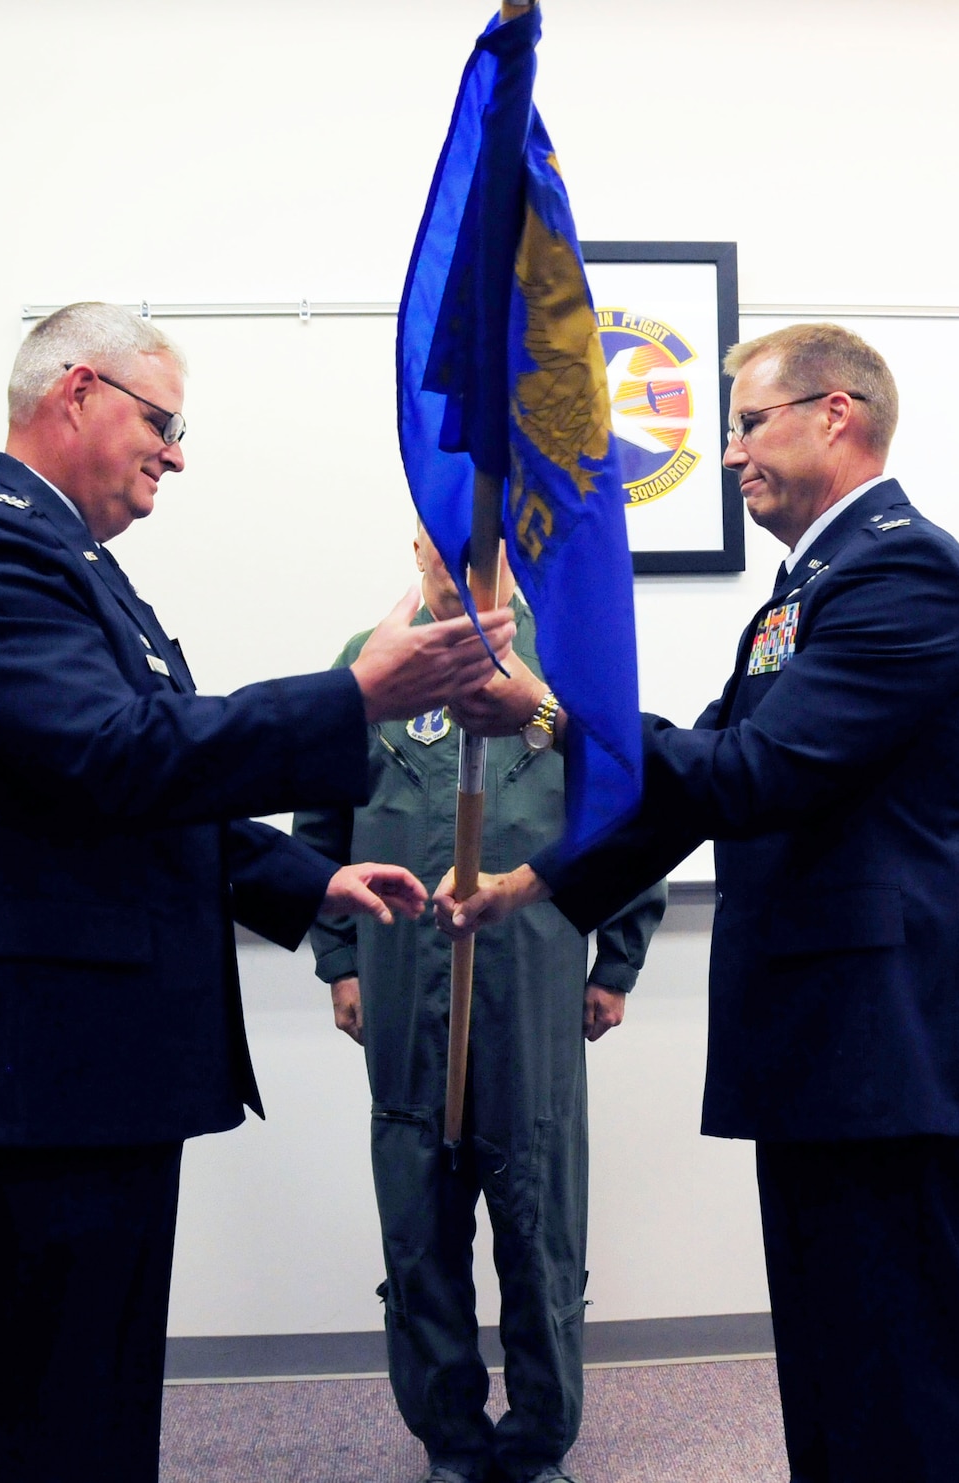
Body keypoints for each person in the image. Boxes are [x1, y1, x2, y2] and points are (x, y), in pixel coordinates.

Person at [0, 301, 515, 1482]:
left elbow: (145, 788)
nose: (176, 452)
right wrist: (354, 697)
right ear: (76, 393)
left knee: (99, 1382)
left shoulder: (74, 567)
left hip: (89, 1061)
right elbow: (116, 756)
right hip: (44, 1061)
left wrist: (308, 871)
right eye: (162, 421)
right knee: (52, 1393)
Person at [439, 323, 959, 1482]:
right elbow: (701, 771)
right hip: (821, 1036)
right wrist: (534, 884)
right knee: (828, 1347)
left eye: (748, 423)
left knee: (889, 1353)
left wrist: (552, 713)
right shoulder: (814, 584)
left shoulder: (904, 572)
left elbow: (760, 778)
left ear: (834, 415)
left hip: (880, 1040)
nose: (733, 453)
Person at [292, 526, 664, 1483]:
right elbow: (319, 826)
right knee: (419, 1224)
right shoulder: (367, 664)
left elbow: (628, 810)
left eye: (484, 545)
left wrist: (614, 963)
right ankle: (452, 1442)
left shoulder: (568, 668)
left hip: (532, 979)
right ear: (415, 545)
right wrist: (341, 962)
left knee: (538, 1217)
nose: (462, 565)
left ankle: (539, 1440)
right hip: (403, 978)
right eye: (442, 543)